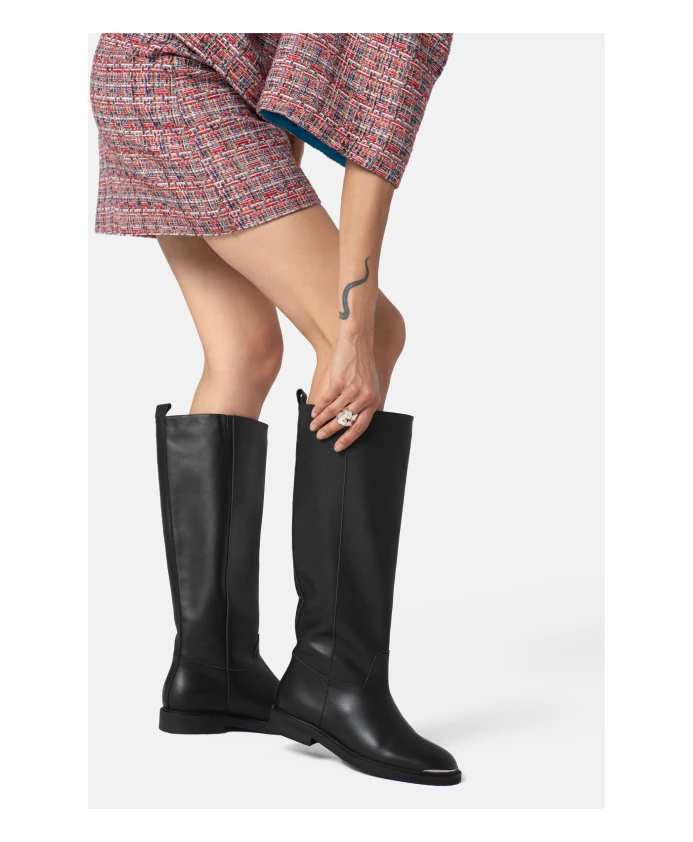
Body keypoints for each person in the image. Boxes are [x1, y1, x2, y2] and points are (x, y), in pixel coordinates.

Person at [91, 32, 459, 786]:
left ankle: (213, 669)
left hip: (152, 69)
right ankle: (335, 681)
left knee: (244, 352)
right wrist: (350, 330)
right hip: (181, 80)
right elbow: (373, 132)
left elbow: (299, 82)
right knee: (369, 334)